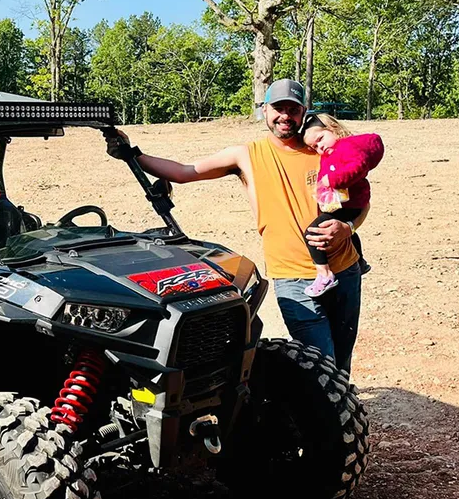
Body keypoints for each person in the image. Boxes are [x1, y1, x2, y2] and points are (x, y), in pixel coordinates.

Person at [105, 79, 368, 374]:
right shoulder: (246, 155)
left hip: (344, 269)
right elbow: (183, 172)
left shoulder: (321, 148)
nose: (285, 116)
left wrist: (348, 227)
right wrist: (132, 153)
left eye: (293, 109)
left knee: (342, 362)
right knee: (322, 367)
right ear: (265, 110)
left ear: (304, 111)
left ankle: (342, 411)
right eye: (278, 108)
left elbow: (361, 201)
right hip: (292, 279)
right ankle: (329, 415)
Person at [300, 113, 384, 297]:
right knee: (349, 233)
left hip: (349, 203)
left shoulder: (346, 147)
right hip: (353, 202)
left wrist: (332, 180)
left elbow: (358, 166)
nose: (320, 147)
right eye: (315, 147)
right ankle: (360, 262)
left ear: (333, 129)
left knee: (313, 233)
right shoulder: (335, 150)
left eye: (320, 139)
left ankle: (324, 274)